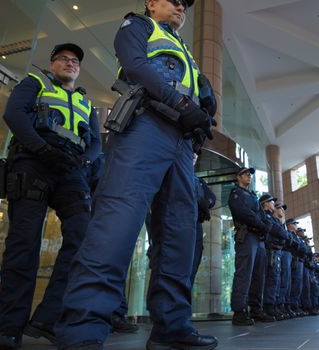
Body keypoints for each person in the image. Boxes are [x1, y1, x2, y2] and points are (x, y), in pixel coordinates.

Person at [55, 0, 219, 349]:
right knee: (117, 222)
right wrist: (184, 105)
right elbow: (138, 67)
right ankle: (82, 330)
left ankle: (172, 328)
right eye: (173, 0)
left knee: (179, 233)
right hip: (146, 125)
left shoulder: (183, 48)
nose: (180, 7)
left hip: (180, 141)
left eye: (185, 5)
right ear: (150, 3)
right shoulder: (139, 26)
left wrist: (199, 120)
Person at [0, 43, 101, 350]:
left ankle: (48, 317)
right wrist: (42, 148)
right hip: (33, 162)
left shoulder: (85, 102)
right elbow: (15, 115)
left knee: (82, 239)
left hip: (70, 170)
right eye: (63, 59)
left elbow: (95, 144)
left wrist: (83, 162)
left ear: (79, 70)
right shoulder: (35, 82)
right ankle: (10, 328)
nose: (70, 63)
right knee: (23, 244)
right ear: (53, 64)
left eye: (75, 61)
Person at [228, 167, 269, 326]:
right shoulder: (236, 194)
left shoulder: (252, 195)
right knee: (244, 273)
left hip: (257, 237)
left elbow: (262, 215)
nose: (249, 176)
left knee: (259, 275)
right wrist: (261, 224)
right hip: (246, 236)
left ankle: (256, 309)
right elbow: (243, 212)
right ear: (238, 177)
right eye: (245, 174)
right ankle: (239, 311)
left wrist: (264, 225)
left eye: (250, 174)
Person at [191, 152, 216, 286]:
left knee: (194, 262)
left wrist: (205, 203)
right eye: (191, 152)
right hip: (180, 223)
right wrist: (199, 202)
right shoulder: (175, 172)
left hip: (196, 225)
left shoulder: (198, 180)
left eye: (195, 154)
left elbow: (212, 197)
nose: (194, 156)